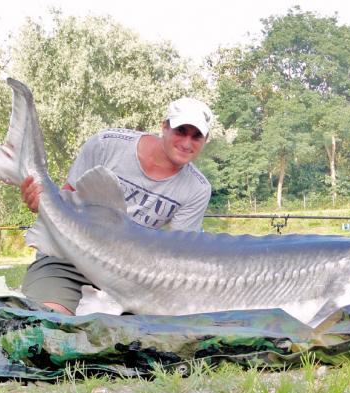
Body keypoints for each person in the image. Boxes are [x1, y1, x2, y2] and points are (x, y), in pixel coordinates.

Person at [20, 97, 214, 315]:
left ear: (205, 139)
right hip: (69, 260)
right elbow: (66, 199)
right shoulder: (107, 144)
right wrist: (39, 202)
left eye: (196, 136)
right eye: (181, 131)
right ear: (164, 126)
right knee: (50, 325)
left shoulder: (198, 189)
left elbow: (178, 254)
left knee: (135, 343)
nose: (187, 143)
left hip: (132, 278)